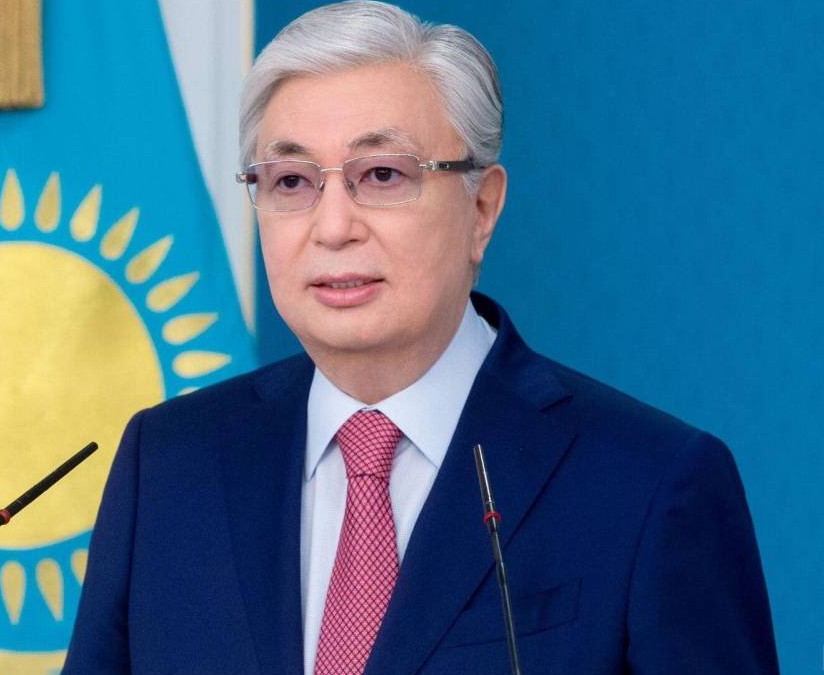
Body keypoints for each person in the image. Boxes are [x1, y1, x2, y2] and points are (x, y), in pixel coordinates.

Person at [64, 2, 779, 673]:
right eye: (291, 182)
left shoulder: (648, 483)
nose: (332, 227)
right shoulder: (170, 465)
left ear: (482, 208)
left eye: (382, 174)